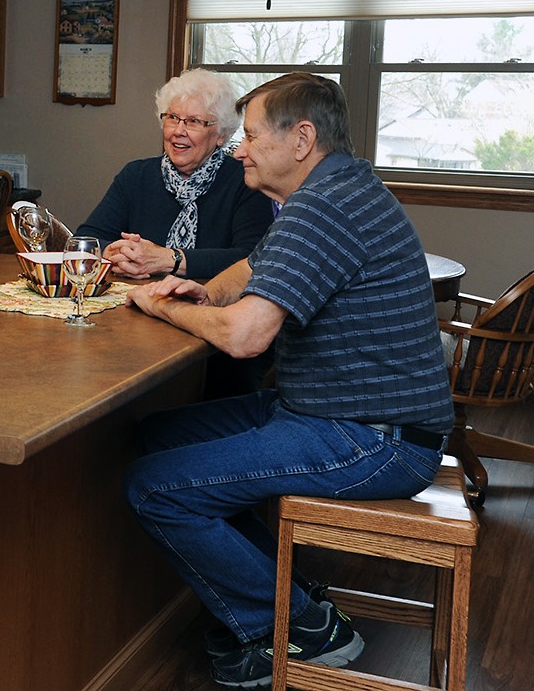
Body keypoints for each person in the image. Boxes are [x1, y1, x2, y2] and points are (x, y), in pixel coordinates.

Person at [123, 72, 454, 689]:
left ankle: (299, 626)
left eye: (248, 136)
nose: (236, 149)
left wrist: (162, 305)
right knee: (155, 436)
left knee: (152, 486)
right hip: (328, 411)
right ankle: (285, 591)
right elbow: (254, 265)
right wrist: (202, 290)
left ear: (301, 139)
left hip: (375, 438)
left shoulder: (325, 205)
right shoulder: (331, 191)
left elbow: (247, 336)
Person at [75, 69, 273, 284]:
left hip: (211, 305)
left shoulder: (246, 180)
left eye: (194, 121)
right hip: (137, 300)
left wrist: (170, 259)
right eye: (173, 118)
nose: (179, 130)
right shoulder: (136, 176)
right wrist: (115, 253)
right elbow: (85, 240)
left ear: (221, 134)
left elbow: (252, 258)